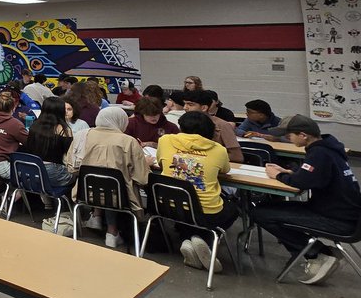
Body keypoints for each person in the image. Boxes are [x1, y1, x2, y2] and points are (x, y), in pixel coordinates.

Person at [251, 115, 361, 285]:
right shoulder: (329, 149)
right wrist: (291, 173)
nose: (287, 138)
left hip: (336, 219)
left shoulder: (319, 153)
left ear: (303, 135)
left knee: (260, 213)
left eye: (289, 136)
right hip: (342, 213)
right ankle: (320, 252)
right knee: (267, 206)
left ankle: (317, 254)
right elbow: (313, 176)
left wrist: (278, 175)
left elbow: (302, 183)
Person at [155, 111, 237, 272]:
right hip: (205, 212)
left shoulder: (165, 140)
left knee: (186, 210)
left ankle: (189, 240)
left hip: (166, 207)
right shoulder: (219, 150)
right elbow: (225, 169)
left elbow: (160, 162)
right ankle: (203, 240)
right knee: (233, 209)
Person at [66, 106, 149, 250]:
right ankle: (112, 233)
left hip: (85, 193)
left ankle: (96, 216)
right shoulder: (128, 141)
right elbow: (143, 179)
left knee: (101, 181)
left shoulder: (82, 135)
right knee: (114, 186)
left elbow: (71, 167)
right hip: (120, 197)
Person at [23, 96, 74, 188]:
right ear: (60, 111)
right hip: (53, 174)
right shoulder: (63, 129)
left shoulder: (34, 126)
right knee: (78, 175)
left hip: (33, 171)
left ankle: (47, 202)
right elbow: (70, 154)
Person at [182, 90, 242, 162]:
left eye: (190, 104)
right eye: (184, 104)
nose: (185, 108)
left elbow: (237, 156)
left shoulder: (222, 125)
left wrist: (207, 156)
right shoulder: (185, 122)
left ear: (204, 108)